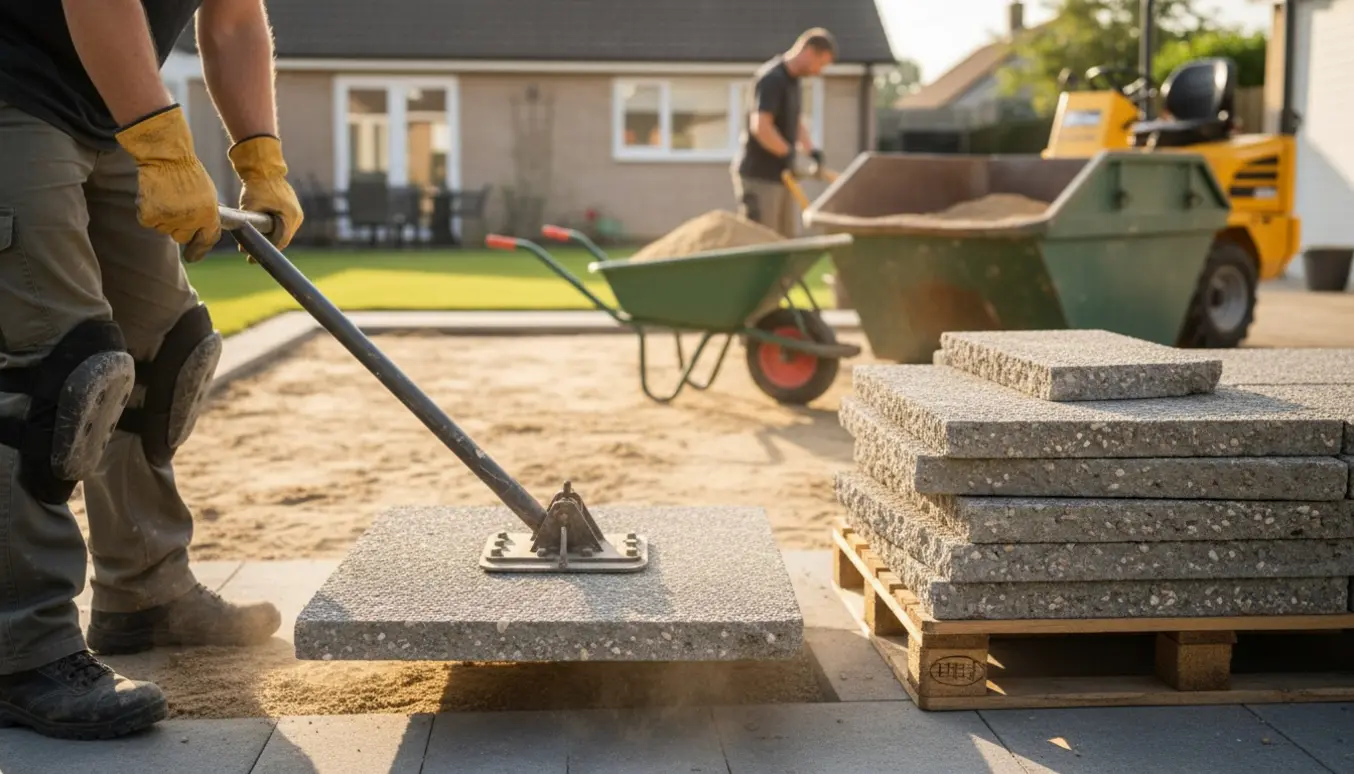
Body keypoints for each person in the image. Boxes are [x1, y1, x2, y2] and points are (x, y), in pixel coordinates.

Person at [0, 0, 304, 740]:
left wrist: (260, 156)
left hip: (104, 107)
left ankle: (145, 591)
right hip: (13, 94)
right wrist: (164, 145)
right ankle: (22, 647)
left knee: (164, 351)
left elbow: (234, 19)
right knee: (53, 371)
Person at [731, 28, 837, 238]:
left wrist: (811, 151)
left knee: (784, 240)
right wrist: (788, 154)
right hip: (760, 177)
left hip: (781, 176)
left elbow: (795, 121)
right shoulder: (771, 79)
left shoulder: (793, 82)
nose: (819, 71)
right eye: (820, 64)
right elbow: (761, 127)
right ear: (809, 51)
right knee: (762, 240)